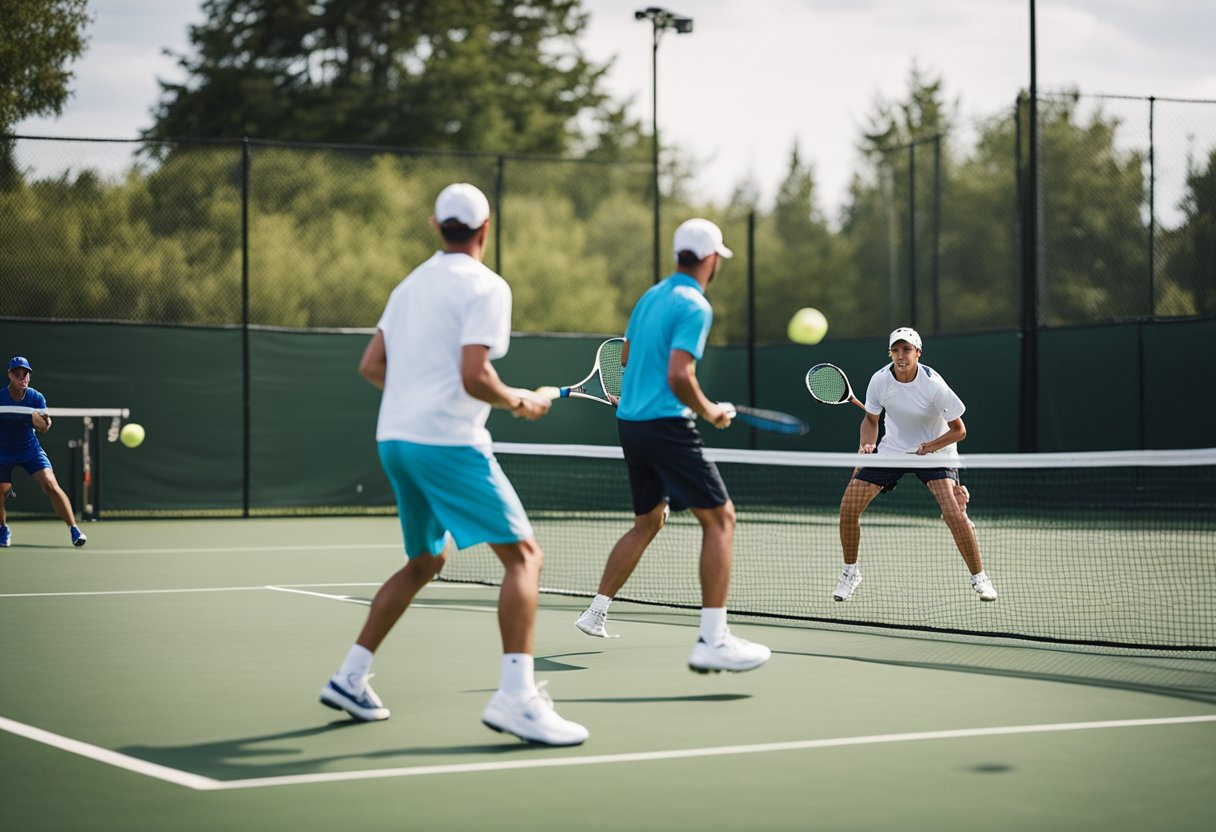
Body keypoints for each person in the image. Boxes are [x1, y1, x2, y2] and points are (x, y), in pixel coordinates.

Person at [319, 183, 588, 746]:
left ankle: (349, 677)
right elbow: (473, 376)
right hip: (446, 443)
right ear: (486, 230)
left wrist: (420, 394)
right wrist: (518, 399)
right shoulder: (487, 287)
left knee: (423, 561)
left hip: (396, 440)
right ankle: (516, 698)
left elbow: (373, 365)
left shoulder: (409, 285)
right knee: (525, 558)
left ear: (435, 226)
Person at [574, 218, 771, 674]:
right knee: (721, 519)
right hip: (665, 425)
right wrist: (711, 411)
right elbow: (680, 376)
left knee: (648, 519)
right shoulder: (694, 305)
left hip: (631, 425)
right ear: (709, 260)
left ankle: (596, 611)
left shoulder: (651, 296)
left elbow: (624, 357)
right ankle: (713, 639)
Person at [833, 327, 997, 602]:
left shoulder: (933, 384)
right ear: (890, 353)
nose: (901, 355)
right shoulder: (880, 380)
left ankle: (979, 577)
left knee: (953, 514)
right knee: (848, 507)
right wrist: (866, 447)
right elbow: (871, 421)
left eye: (907, 350)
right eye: (895, 350)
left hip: (937, 450)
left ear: (918, 353)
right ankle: (851, 572)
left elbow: (959, 430)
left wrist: (930, 447)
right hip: (893, 449)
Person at [0, 356, 87, 548]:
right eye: (17, 374)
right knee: (2, 491)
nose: (22, 378)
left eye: (26, 374)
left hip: (30, 449)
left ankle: (74, 529)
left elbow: (44, 427)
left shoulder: (36, 398)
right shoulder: (0, 398)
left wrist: (42, 420)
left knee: (50, 484)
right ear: (10, 375)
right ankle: (3, 528)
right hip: (3, 451)